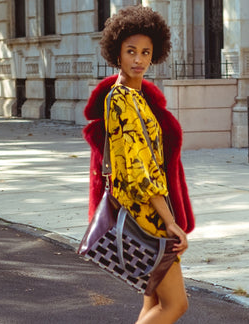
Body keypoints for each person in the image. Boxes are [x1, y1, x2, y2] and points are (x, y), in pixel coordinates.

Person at [83, 5, 195, 324]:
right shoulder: (120, 100)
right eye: (131, 51)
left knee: (153, 302)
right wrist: (169, 221)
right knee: (175, 305)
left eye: (145, 52)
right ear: (116, 53)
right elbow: (139, 170)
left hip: (143, 211)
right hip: (146, 215)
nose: (138, 60)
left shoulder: (136, 97)